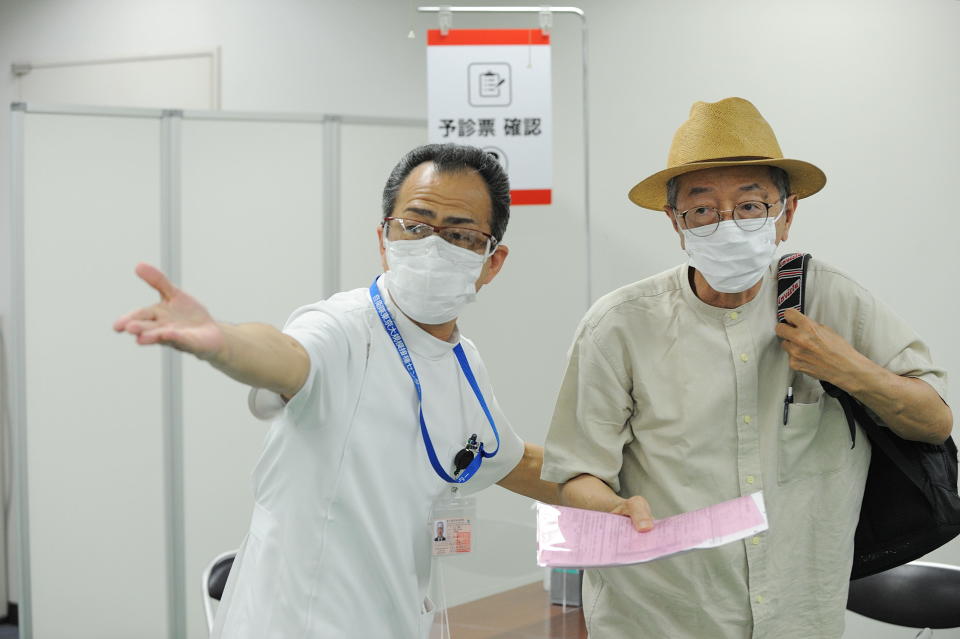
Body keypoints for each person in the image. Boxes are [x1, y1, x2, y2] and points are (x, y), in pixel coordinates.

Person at [541, 97, 952, 638]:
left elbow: (934, 422)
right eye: (703, 209)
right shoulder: (619, 325)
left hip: (797, 616)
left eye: (751, 205)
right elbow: (577, 472)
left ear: (786, 215)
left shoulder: (832, 299)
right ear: (676, 222)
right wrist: (612, 510)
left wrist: (848, 369)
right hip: (659, 617)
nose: (728, 225)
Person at [114, 143, 559, 639]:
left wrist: (626, 500)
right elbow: (286, 357)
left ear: (491, 261)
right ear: (384, 238)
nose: (432, 246)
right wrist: (224, 343)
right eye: (415, 225)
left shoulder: (463, 361)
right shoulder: (344, 330)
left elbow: (515, 461)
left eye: (459, 234)